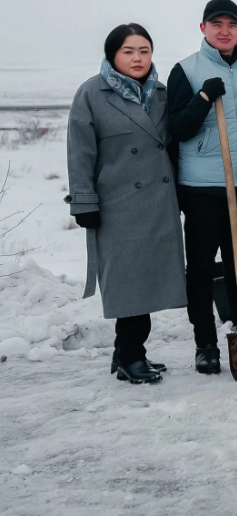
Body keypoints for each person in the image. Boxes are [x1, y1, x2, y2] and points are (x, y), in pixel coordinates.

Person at [66, 24, 186, 384]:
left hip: (158, 204)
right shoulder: (92, 93)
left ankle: (126, 355)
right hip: (118, 206)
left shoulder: (162, 94)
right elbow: (80, 151)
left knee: (146, 283)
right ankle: (131, 355)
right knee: (129, 285)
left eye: (144, 51)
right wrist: (84, 201)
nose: (137, 58)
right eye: (129, 51)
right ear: (112, 55)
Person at [167, 0, 237, 375]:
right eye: (216, 24)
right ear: (203, 28)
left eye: (231, 24)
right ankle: (205, 343)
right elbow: (176, 129)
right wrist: (204, 98)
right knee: (201, 269)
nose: (223, 30)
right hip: (201, 187)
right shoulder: (186, 70)